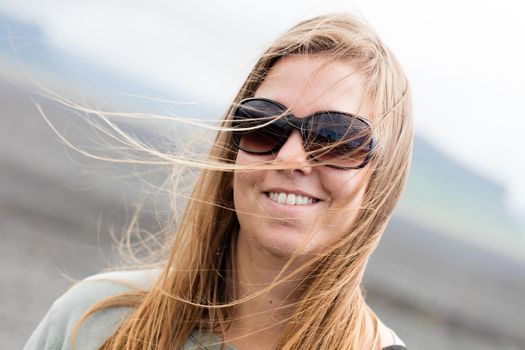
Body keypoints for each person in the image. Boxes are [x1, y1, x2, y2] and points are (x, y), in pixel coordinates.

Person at [25, 12, 412, 350]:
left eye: (335, 138)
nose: (291, 157)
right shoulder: (92, 324)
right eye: (264, 125)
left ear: (385, 177)